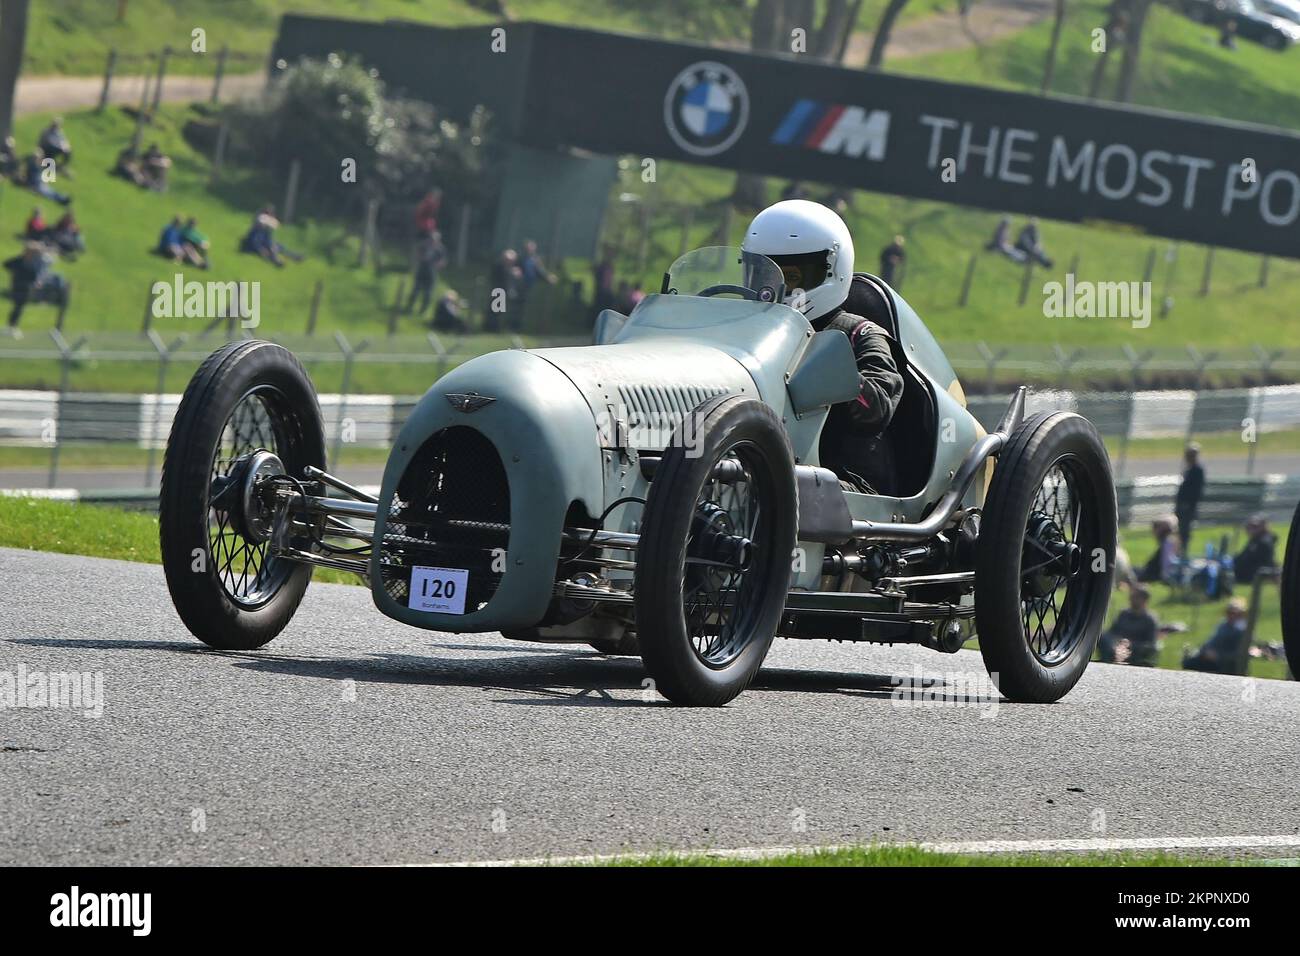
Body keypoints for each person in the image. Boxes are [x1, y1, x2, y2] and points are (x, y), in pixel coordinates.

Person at [741, 200, 904, 493]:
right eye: (764, 273)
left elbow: (877, 410)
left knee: (772, 485)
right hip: (759, 465)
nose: (774, 287)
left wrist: (825, 367)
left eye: (791, 277)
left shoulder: (859, 333)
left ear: (831, 268)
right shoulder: (747, 329)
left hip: (842, 483)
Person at [4, 241, 68, 332]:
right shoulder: (20, 261)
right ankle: (12, 326)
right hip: (22, 288)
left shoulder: (40, 260)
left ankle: (59, 326)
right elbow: (7, 265)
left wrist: (44, 250)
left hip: (38, 287)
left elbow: (52, 257)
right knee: (18, 306)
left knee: (62, 285)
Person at [1183, 597, 1249, 675]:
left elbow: (1238, 654)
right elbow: (1212, 641)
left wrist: (1218, 656)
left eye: (1233, 613)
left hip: (1226, 664)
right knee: (1188, 662)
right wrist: (1205, 650)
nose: (1230, 615)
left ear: (1240, 614)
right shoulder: (1224, 625)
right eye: (1229, 612)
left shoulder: (1242, 630)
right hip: (1212, 658)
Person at [1097, 585, 1160, 666]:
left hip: (1134, 651)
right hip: (1116, 645)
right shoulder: (1124, 614)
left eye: (1135, 597)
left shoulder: (1149, 619)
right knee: (1099, 636)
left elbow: (1150, 644)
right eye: (1131, 596)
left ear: (1144, 600)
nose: (1131, 598)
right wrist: (1117, 642)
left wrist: (1130, 644)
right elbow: (1111, 632)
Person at [406, 231, 448, 317]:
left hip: (431, 272)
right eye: (431, 239)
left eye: (434, 240)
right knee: (415, 290)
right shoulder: (423, 246)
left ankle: (423, 310)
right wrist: (422, 258)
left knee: (428, 293)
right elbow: (417, 254)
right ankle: (409, 308)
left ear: (438, 240)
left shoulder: (440, 249)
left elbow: (443, 261)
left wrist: (438, 264)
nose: (432, 241)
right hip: (422, 270)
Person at [1175, 442, 1205, 553]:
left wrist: (1188, 504)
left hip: (1187, 507)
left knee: (1184, 531)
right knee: (1180, 530)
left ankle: (1183, 551)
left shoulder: (1197, 470)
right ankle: (1180, 550)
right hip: (1182, 506)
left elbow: (1196, 491)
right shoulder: (1189, 470)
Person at [484, 248, 523, 331]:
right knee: (495, 311)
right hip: (499, 291)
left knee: (507, 312)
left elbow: (518, 279)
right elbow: (498, 278)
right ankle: (492, 328)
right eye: (508, 260)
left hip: (510, 292)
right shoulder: (498, 266)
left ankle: (507, 327)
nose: (510, 262)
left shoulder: (514, 268)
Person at [1233, 515, 1278, 586]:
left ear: (1263, 527)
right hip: (1251, 570)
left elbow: (1253, 559)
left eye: (1254, 527)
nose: (1250, 529)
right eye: (1249, 527)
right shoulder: (1256, 539)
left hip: (1253, 573)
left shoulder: (1263, 541)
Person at [1136, 515, 1180, 584]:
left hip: (1154, 575)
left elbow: (1167, 564)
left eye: (1155, 528)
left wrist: (1165, 577)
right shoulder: (1168, 542)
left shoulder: (1168, 543)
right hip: (1152, 572)